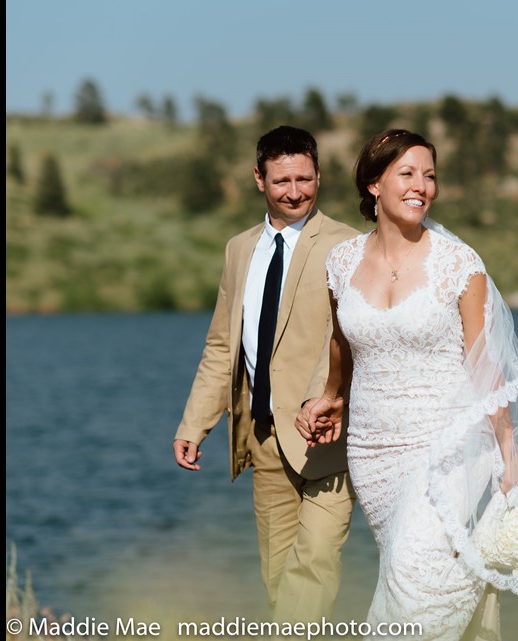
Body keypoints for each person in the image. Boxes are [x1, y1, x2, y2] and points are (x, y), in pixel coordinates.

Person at [297, 129, 518, 640]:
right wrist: (330, 397)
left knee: (413, 576)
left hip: (448, 446)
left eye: (429, 175)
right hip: (373, 453)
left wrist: (510, 452)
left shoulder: (459, 265)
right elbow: (341, 344)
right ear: (374, 184)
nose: (421, 186)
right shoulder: (341, 263)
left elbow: (484, 365)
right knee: (407, 570)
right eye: (407, 174)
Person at [172, 125, 360, 624]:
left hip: (327, 440)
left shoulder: (349, 246)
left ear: (319, 175)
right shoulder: (238, 250)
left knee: (315, 568)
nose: (295, 192)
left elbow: (351, 339)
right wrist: (194, 425)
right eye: (282, 181)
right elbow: (221, 345)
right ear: (259, 179)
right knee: (278, 583)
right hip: (262, 440)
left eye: (305, 179)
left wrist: (327, 397)